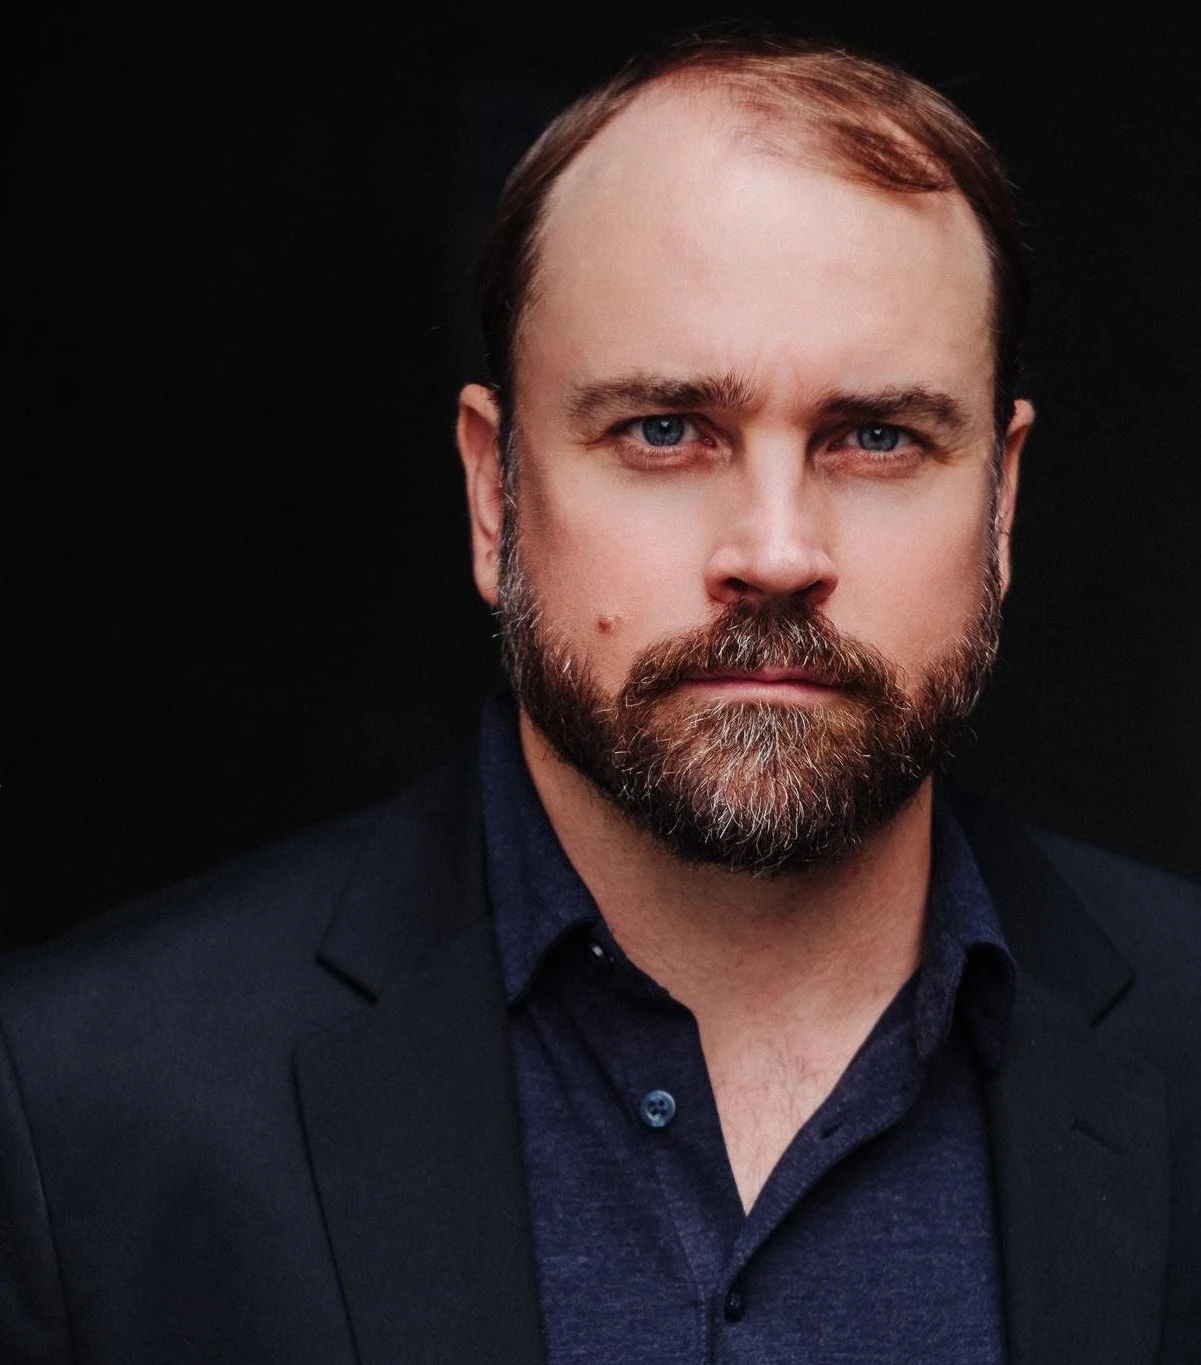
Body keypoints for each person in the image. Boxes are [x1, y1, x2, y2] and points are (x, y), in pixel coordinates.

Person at [1, 30, 1198, 1365]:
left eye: (877, 437)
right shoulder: (82, 1116)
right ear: (493, 491)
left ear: (1003, 501)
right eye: (664, 430)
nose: (776, 553)